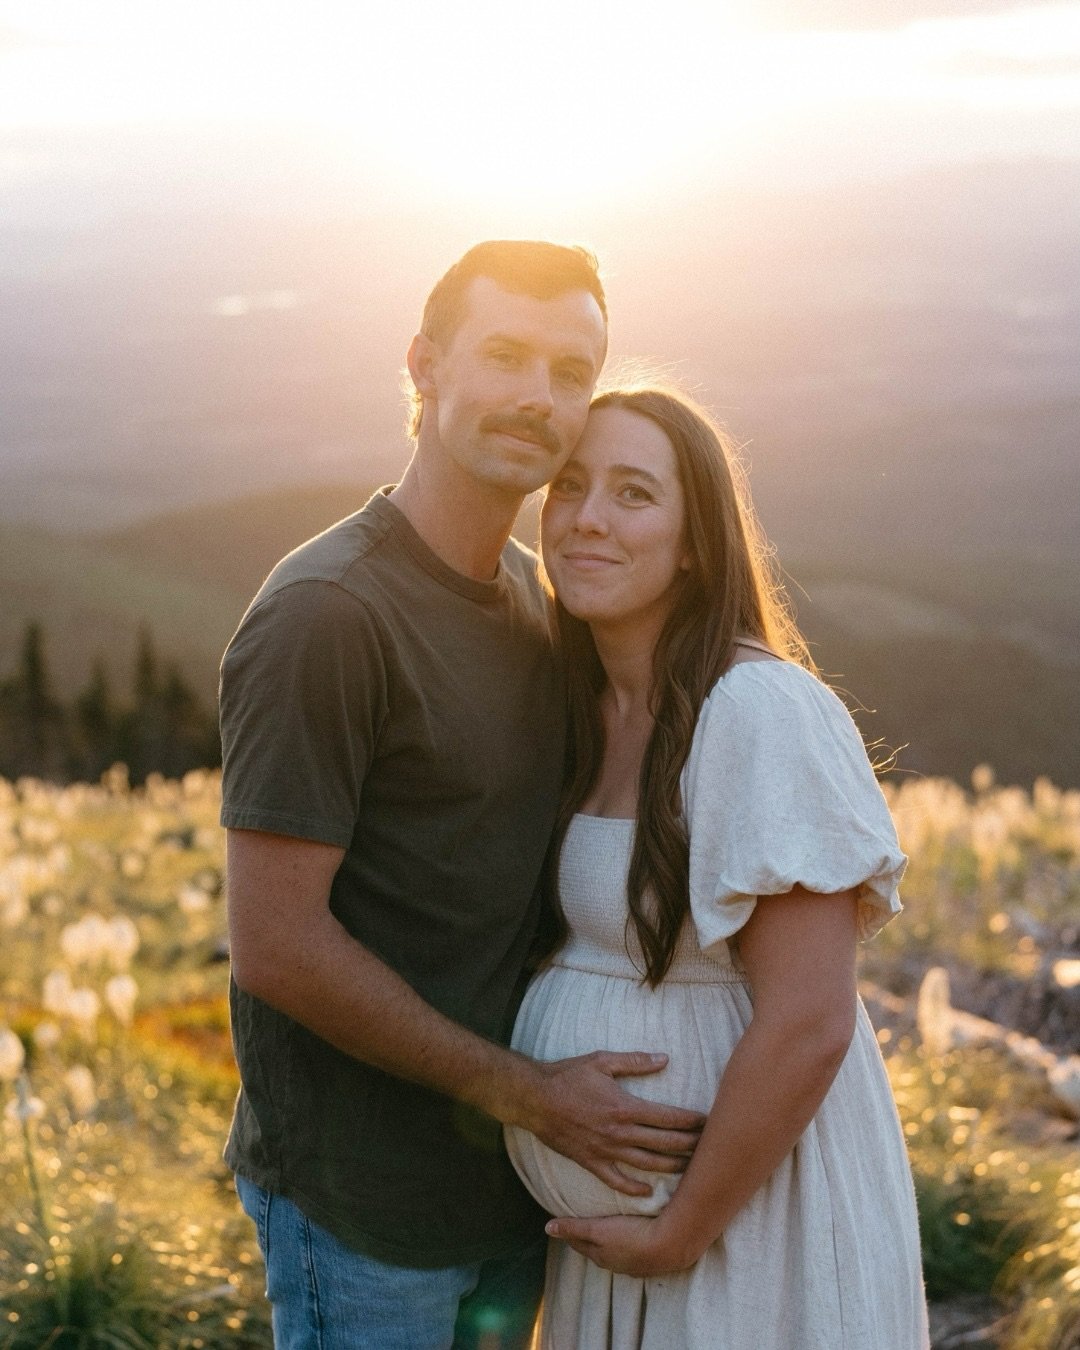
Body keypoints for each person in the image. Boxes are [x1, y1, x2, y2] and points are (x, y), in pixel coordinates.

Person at [218, 245, 704, 1350]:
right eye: (506, 356)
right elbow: (277, 946)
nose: (540, 396)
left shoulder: (538, 599)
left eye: (572, 371)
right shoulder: (329, 617)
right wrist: (532, 1094)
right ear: (424, 367)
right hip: (365, 1204)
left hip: (513, 1189)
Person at [505, 386, 930, 1348]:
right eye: (569, 487)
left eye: (635, 494)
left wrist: (682, 1228)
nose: (589, 519)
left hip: (745, 1225)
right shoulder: (584, 705)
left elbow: (811, 1020)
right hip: (629, 1247)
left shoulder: (756, 709)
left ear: (697, 542)